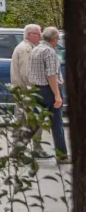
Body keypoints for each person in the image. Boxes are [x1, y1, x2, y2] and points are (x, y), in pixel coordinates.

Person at [27, 27, 69, 163]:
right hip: (49, 91)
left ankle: (18, 150)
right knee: (57, 124)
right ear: (54, 38)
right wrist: (57, 95)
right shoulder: (49, 52)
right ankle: (62, 156)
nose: (57, 42)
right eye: (57, 39)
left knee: (34, 123)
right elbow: (51, 75)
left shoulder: (35, 49)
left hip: (37, 90)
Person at [10, 24, 42, 154]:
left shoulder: (26, 47)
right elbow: (27, 72)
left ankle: (18, 148)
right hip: (27, 91)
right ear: (29, 35)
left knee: (22, 120)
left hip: (21, 90)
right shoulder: (26, 50)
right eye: (38, 34)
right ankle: (34, 149)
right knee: (32, 120)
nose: (40, 36)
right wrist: (34, 89)